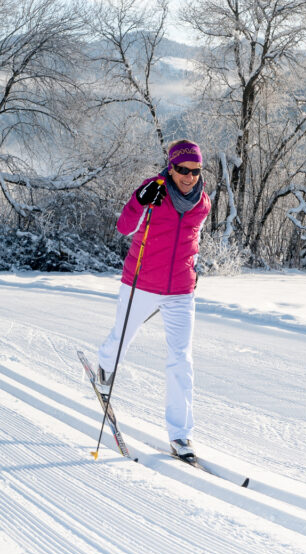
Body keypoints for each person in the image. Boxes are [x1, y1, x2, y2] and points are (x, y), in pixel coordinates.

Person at [96, 139, 211, 460]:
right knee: (121, 339)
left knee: (181, 360)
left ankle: (181, 435)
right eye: (182, 169)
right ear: (171, 167)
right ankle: (105, 367)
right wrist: (138, 201)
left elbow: (191, 240)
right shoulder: (153, 190)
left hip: (180, 291)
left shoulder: (203, 203)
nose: (188, 176)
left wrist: (193, 268)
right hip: (141, 283)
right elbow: (124, 227)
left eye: (195, 170)